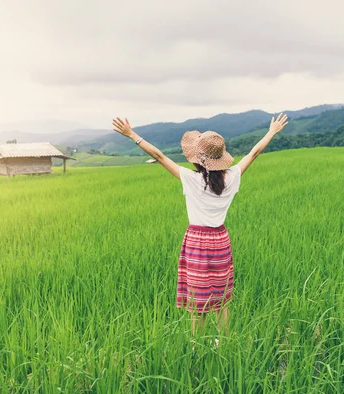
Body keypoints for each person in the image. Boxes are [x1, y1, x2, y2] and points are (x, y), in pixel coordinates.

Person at [112, 114, 288, 337]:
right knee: (221, 300)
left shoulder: (190, 178)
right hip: (220, 241)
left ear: (198, 158)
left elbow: (159, 155)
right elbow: (254, 152)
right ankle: (223, 343)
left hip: (197, 242)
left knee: (198, 302)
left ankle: (197, 347)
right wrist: (271, 132)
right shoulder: (233, 177)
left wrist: (131, 135)